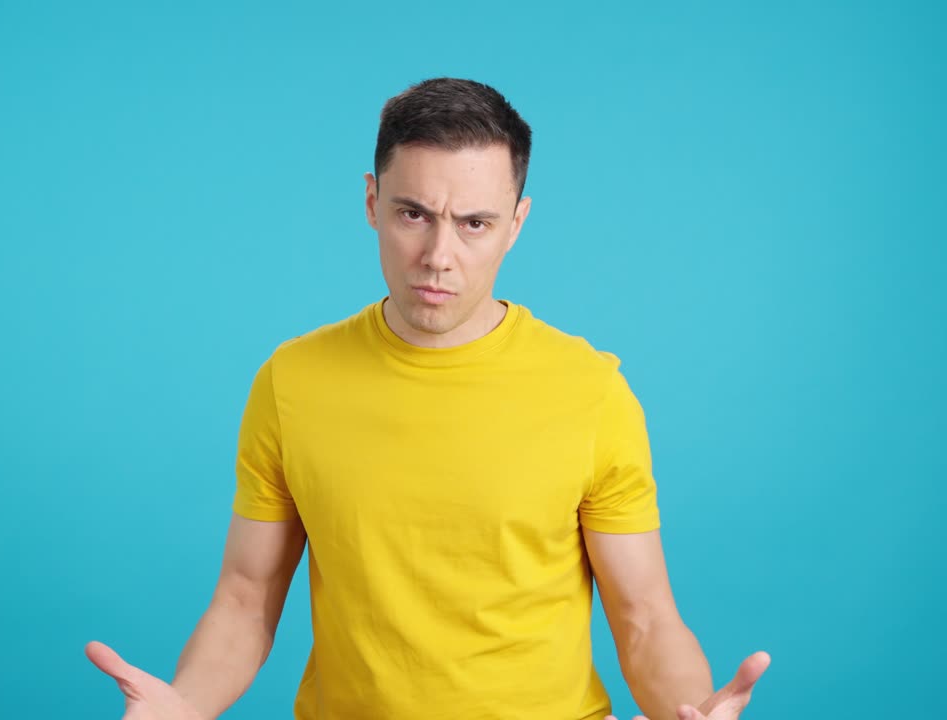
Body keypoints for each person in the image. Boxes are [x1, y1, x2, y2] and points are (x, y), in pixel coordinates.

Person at [85, 77, 770, 720]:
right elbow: (245, 599)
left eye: (474, 223)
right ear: (370, 202)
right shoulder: (291, 382)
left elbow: (645, 615)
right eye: (413, 213)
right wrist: (185, 706)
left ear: (517, 224)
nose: (439, 255)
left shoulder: (590, 391)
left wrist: (690, 709)